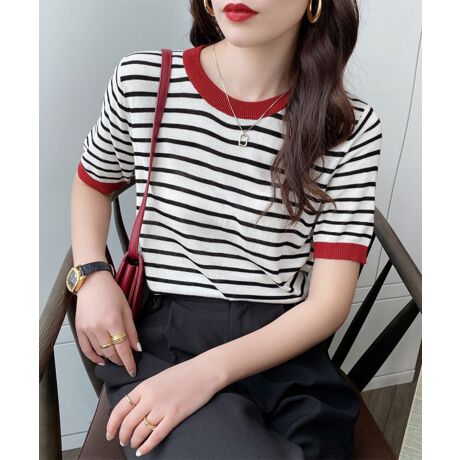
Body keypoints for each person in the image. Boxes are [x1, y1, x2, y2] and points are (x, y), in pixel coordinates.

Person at [69, 0, 383, 458]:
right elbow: (93, 184)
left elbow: (328, 304)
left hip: (283, 355)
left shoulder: (348, 126)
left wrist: (204, 374)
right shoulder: (146, 81)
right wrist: (91, 274)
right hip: (162, 342)